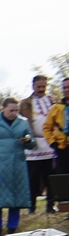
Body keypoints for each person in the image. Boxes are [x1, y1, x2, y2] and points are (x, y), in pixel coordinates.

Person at [0, 98, 33, 236]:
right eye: (11, 110)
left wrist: (28, 140)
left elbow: (31, 142)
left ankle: (12, 228)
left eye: (16, 110)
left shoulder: (23, 122)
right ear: (2, 108)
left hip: (17, 166)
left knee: (16, 199)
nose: (14, 113)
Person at [21, 75, 56, 213]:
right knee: (33, 178)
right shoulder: (25, 104)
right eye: (38, 87)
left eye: (43, 87)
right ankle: (31, 206)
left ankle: (50, 205)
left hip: (50, 144)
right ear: (33, 86)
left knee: (50, 178)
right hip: (33, 146)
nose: (41, 89)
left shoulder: (52, 101)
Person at [44, 76, 69, 208]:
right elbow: (47, 128)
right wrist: (53, 143)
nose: (66, 90)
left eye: (68, 87)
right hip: (62, 148)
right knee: (63, 177)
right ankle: (65, 207)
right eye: (64, 87)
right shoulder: (56, 108)